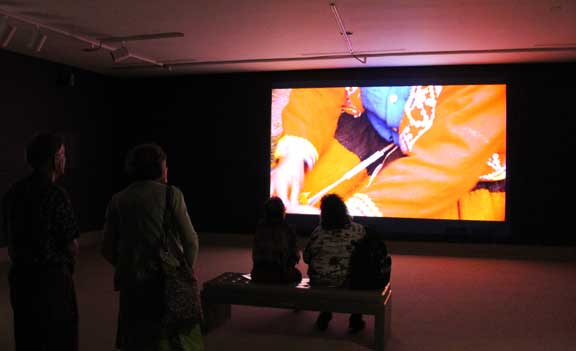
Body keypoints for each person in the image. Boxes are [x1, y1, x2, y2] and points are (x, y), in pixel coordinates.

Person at [270, 85, 506, 220]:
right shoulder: (348, 24)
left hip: (455, 166)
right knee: (298, 195)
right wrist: (294, 156)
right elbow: (322, 86)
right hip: (368, 129)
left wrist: (347, 219)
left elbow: (452, 157)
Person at [100, 143, 203, 351]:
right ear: (159, 168)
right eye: (165, 165)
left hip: (132, 284)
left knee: (137, 339)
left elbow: (107, 248)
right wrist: (184, 271)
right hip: (165, 282)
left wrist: (128, 264)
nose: (167, 170)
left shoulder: (118, 199)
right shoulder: (172, 195)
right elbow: (190, 241)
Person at [1, 133, 80, 351]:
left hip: (21, 279)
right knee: (59, 337)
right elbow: (71, 244)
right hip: (52, 282)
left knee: (29, 337)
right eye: (63, 154)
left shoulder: (13, 193)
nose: (66, 159)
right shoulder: (56, 194)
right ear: (53, 159)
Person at [303, 193, 366, 333]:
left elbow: (306, 257)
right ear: (344, 210)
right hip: (349, 281)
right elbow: (365, 258)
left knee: (328, 278)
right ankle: (356, 318)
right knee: (357, 277)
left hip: (319, 280)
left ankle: (325, 313)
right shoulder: (358, 230)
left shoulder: (318, 232)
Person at [251, 196, 302, 284]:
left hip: (259, 275)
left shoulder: (260, 228)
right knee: (297, 275)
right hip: (281, 275)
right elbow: (295, 257)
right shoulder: (288, 229)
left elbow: (255, 256)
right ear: (282, 211)